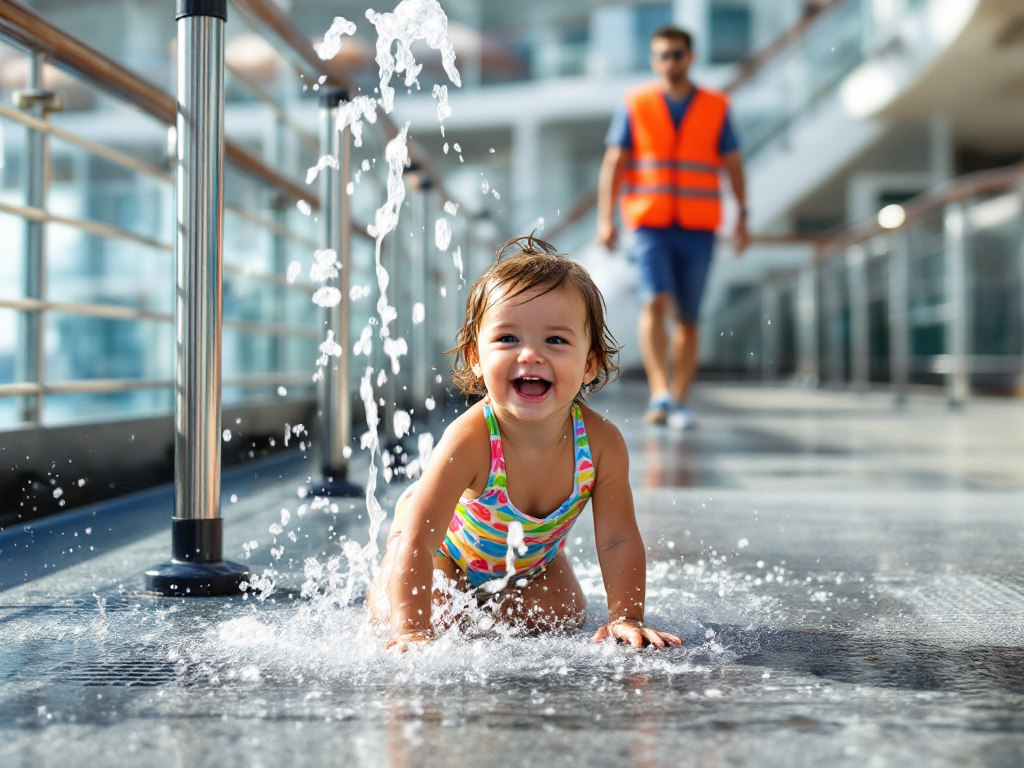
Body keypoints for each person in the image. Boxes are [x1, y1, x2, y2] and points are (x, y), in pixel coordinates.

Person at [367, 234, 682, 652]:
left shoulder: (601, 444)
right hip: (444, 550)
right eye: (507, 339)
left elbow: (618, 538)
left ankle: (490, 602)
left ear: (589, 364)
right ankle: (404, 595)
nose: (530, 354)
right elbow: (418, 542)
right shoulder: (471, 438)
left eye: (555, 340)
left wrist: (626, 616)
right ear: (476, 359)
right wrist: (411, 631)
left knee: (564, 612)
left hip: (529, 562)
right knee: (427, 614)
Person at [597, 25, 749, 429]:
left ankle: (678, 399)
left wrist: (743, 217)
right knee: (654, 301)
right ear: (653, 60)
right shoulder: (636, 103)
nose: (670, 62)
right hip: (649, 224)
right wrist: (605, 218)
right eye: (662, 55)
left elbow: (733, 165)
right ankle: (660, 393)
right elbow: (615, 162)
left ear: (690, 56)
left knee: (688, 318)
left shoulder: (715, 105)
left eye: (677, 54)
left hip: (698, 226)